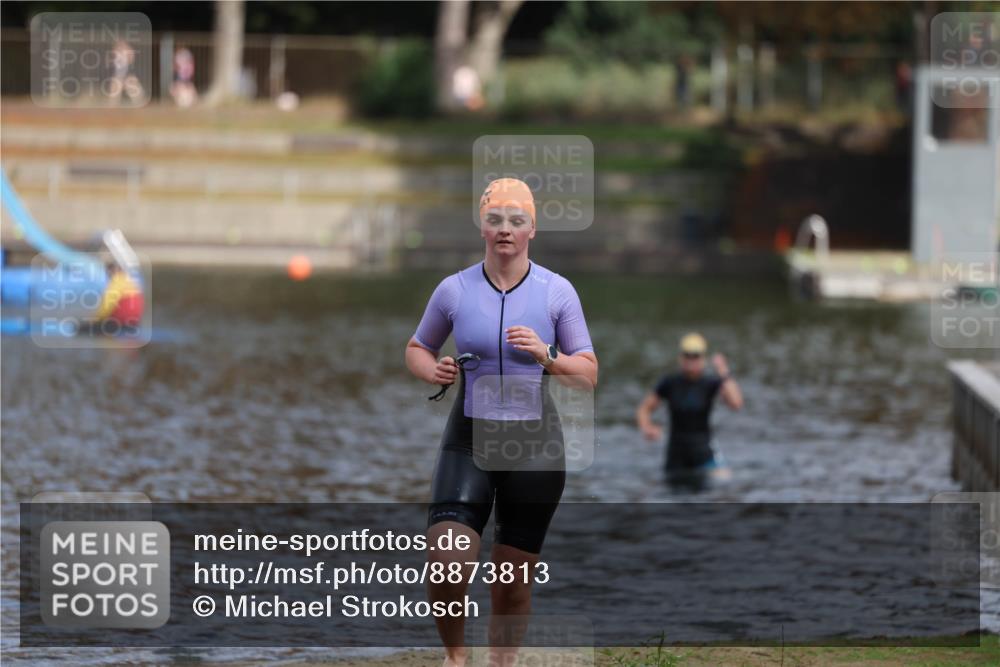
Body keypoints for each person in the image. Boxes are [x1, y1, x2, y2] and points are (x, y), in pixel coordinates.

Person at [405, 177, 598, 667]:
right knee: (447, 562)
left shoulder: (558, 293)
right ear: (483, 227)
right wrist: (435, 369)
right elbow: (417, 347)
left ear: (532, 228)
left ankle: (501, 663)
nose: (505, 230)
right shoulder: (455, 289)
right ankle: (455, 658)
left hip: (535, 448)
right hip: (468, 440)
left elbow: (588, 374)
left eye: (516, 221)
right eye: (495, 220)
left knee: (511, 584)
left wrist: (547, 353)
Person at [635, 333, 743, 482]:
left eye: (695, 356)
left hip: (703, 452)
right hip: (676, 456)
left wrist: (723, 370)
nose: (691, 360)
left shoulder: (710, 383)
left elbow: (736, 403)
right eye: (687, 355)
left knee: (725, 479)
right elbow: (644, 409)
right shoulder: (670, 383)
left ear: (703, 358)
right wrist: (647, 427)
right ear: (681, 357)